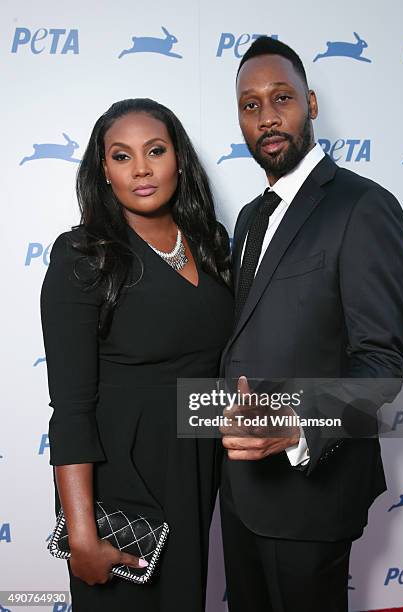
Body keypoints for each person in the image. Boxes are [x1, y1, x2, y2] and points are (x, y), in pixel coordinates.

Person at [219, 37, 403, 612]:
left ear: (312, 103)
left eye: (282, 97)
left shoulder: (363, 206)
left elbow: (381, 364)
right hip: (241, 491)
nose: (267, 116)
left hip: (312, 494)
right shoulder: (252, 218)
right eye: (250, 105)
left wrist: (299, 426)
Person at [41, 98, 233, 611]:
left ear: (179, 158)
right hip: (119, 486)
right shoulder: (84, 255)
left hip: (195, 470)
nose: (142, 169)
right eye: (121, 156)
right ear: (103, 170)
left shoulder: (212, 244)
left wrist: (323, 411)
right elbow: (72, 408)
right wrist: (81, 530)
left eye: (155, 150)